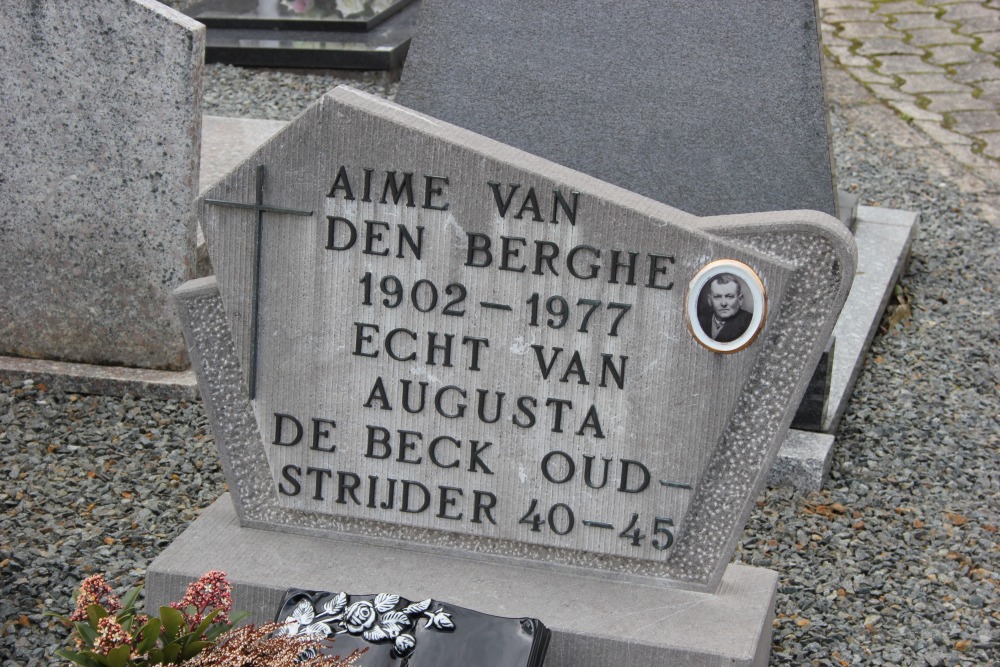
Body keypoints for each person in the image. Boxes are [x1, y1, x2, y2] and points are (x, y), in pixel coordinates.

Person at [697, 273, 752, 342]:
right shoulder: (699, 321)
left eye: (729, 297)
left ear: (740, 300)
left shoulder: (750, 323)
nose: (723, 303)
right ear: (710, 300)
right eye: (717, 297)